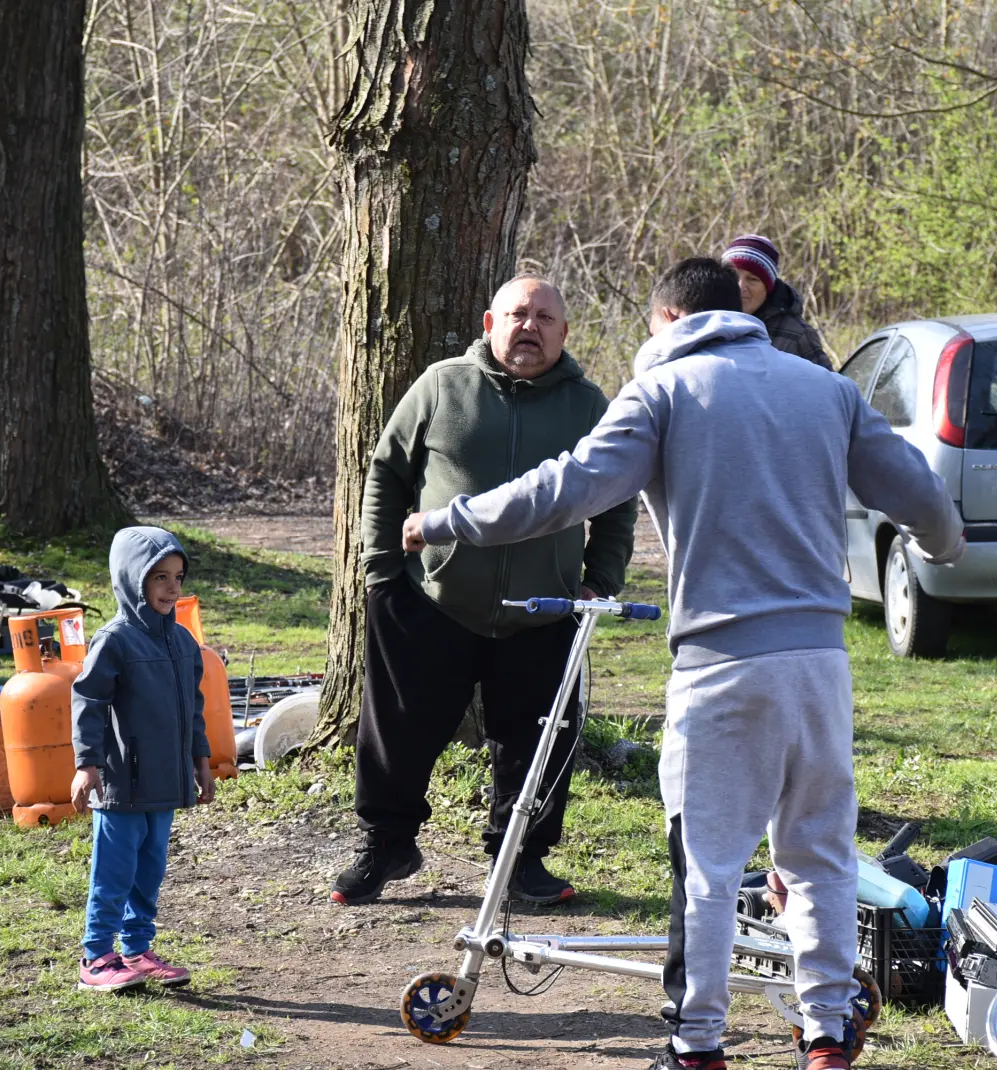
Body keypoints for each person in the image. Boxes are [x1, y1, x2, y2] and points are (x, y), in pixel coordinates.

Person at [402, 258, 963, 1070]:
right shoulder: (827, 390)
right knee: (818, 857)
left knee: (708, 865)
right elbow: (915, 491)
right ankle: (827, 1033)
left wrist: (447, 520)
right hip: (818, 663)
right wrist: (946, 541)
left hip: (719, 665)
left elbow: (566, 489)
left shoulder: (663, 392)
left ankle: (697, 1044)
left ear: (668, 319)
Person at [331, 274, 637, 908]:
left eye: (545, 319)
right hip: (431, 600)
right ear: (490, 323)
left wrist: (599, 582)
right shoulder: (443, 385)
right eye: (518, 315)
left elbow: (617, 500)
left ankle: (521, 859)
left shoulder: (588, 406)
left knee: (539, 738)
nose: (530, 328)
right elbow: (387, 472)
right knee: (398, 731)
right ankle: (387, 844)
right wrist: (381, 571)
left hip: (543, 610)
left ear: (564, 332)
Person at [71, 526, 216, 993]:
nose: (172, 588)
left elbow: (193, 709)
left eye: (177, 577)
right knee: (114, 872)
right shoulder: (114, 641)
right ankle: (96, 957)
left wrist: (200, 760)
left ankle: (136, 949)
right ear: (132, 579)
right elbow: (88, 703)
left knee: (150, 870)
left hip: (166, 781)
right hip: (121, 783)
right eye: (159, 577)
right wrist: (86, 764)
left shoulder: (183, 643)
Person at [721, 234, 831, 369]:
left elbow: (826, 381)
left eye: (753, 279)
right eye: (733, 276)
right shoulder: (706, 324)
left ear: (768, 289)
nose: (740, 286)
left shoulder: (797, 335)